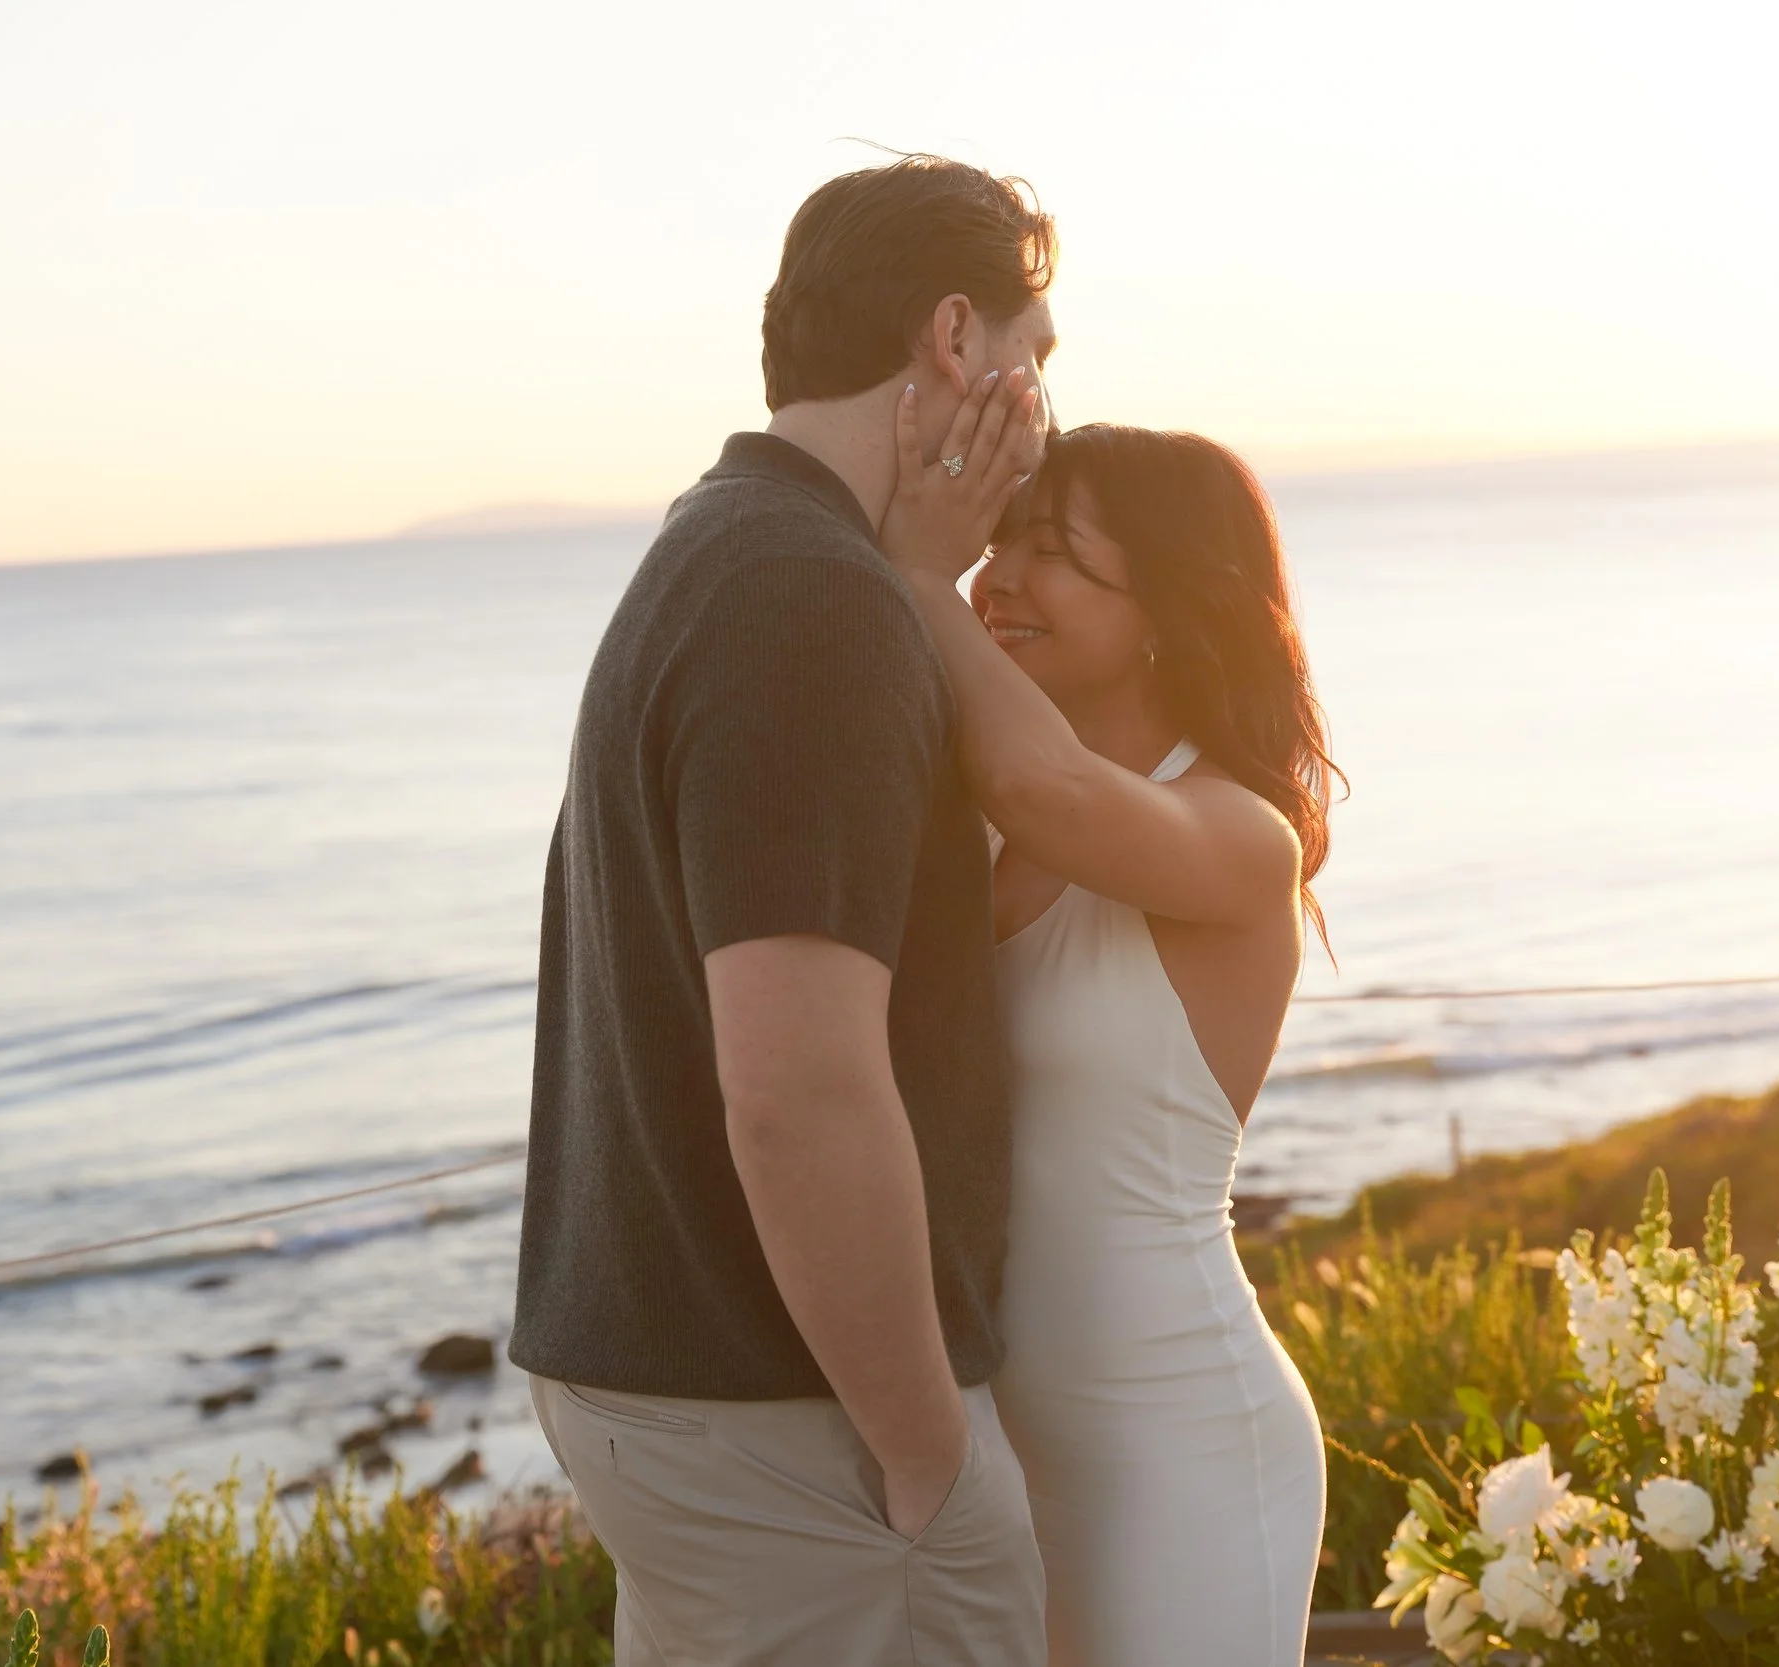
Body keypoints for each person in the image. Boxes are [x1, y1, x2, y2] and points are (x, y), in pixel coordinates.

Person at [509, 155, 1057, 1665]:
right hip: (794, 1419)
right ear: (955, 341)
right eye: (1036, 357)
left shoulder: (729, 543)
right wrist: (929, 1449)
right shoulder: (809, 603)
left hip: (684, 1384)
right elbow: (799, 1089)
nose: (1042, 407)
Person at [878, 382, 1337, 1666]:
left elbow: (1047, 779)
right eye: (999, 540)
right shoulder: (973, 818)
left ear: (1162, 617)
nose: (998, 577)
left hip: (1179, 1435)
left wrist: (913, 569)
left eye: (1054, 553)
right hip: (993, 1444)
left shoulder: (1236, 833)